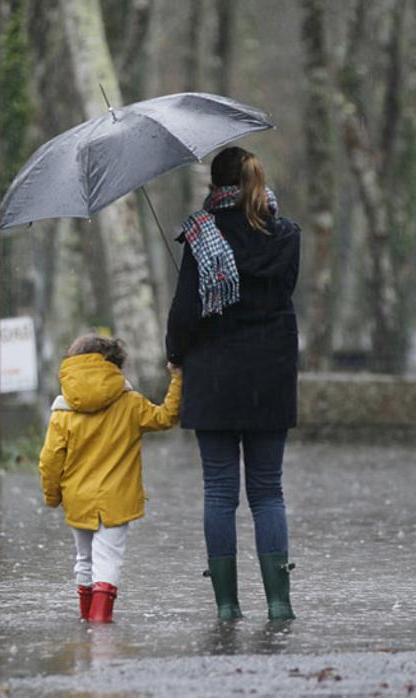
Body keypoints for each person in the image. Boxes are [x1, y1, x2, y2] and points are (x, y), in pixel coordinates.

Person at [165, 146, 301, 621]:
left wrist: (174, 355)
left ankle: (226, 606)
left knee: (220, 493)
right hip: (271, 376)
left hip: (215, 378)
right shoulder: (286, 235)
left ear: (214, 185)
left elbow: (185, 315)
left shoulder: (201, 237)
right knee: (268, 492)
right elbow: (281, 295)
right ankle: (280, 603)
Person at [38, 334, 182, 623]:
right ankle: (100, 622)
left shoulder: (62, 410)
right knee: (108, 559)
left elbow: (50, 459)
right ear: (115, 365)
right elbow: (166, 416)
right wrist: (177, 379)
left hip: (77, 499)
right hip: (116, 499)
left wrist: (53, 496)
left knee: (84, 559)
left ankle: (86, 618)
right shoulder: (130, 403)